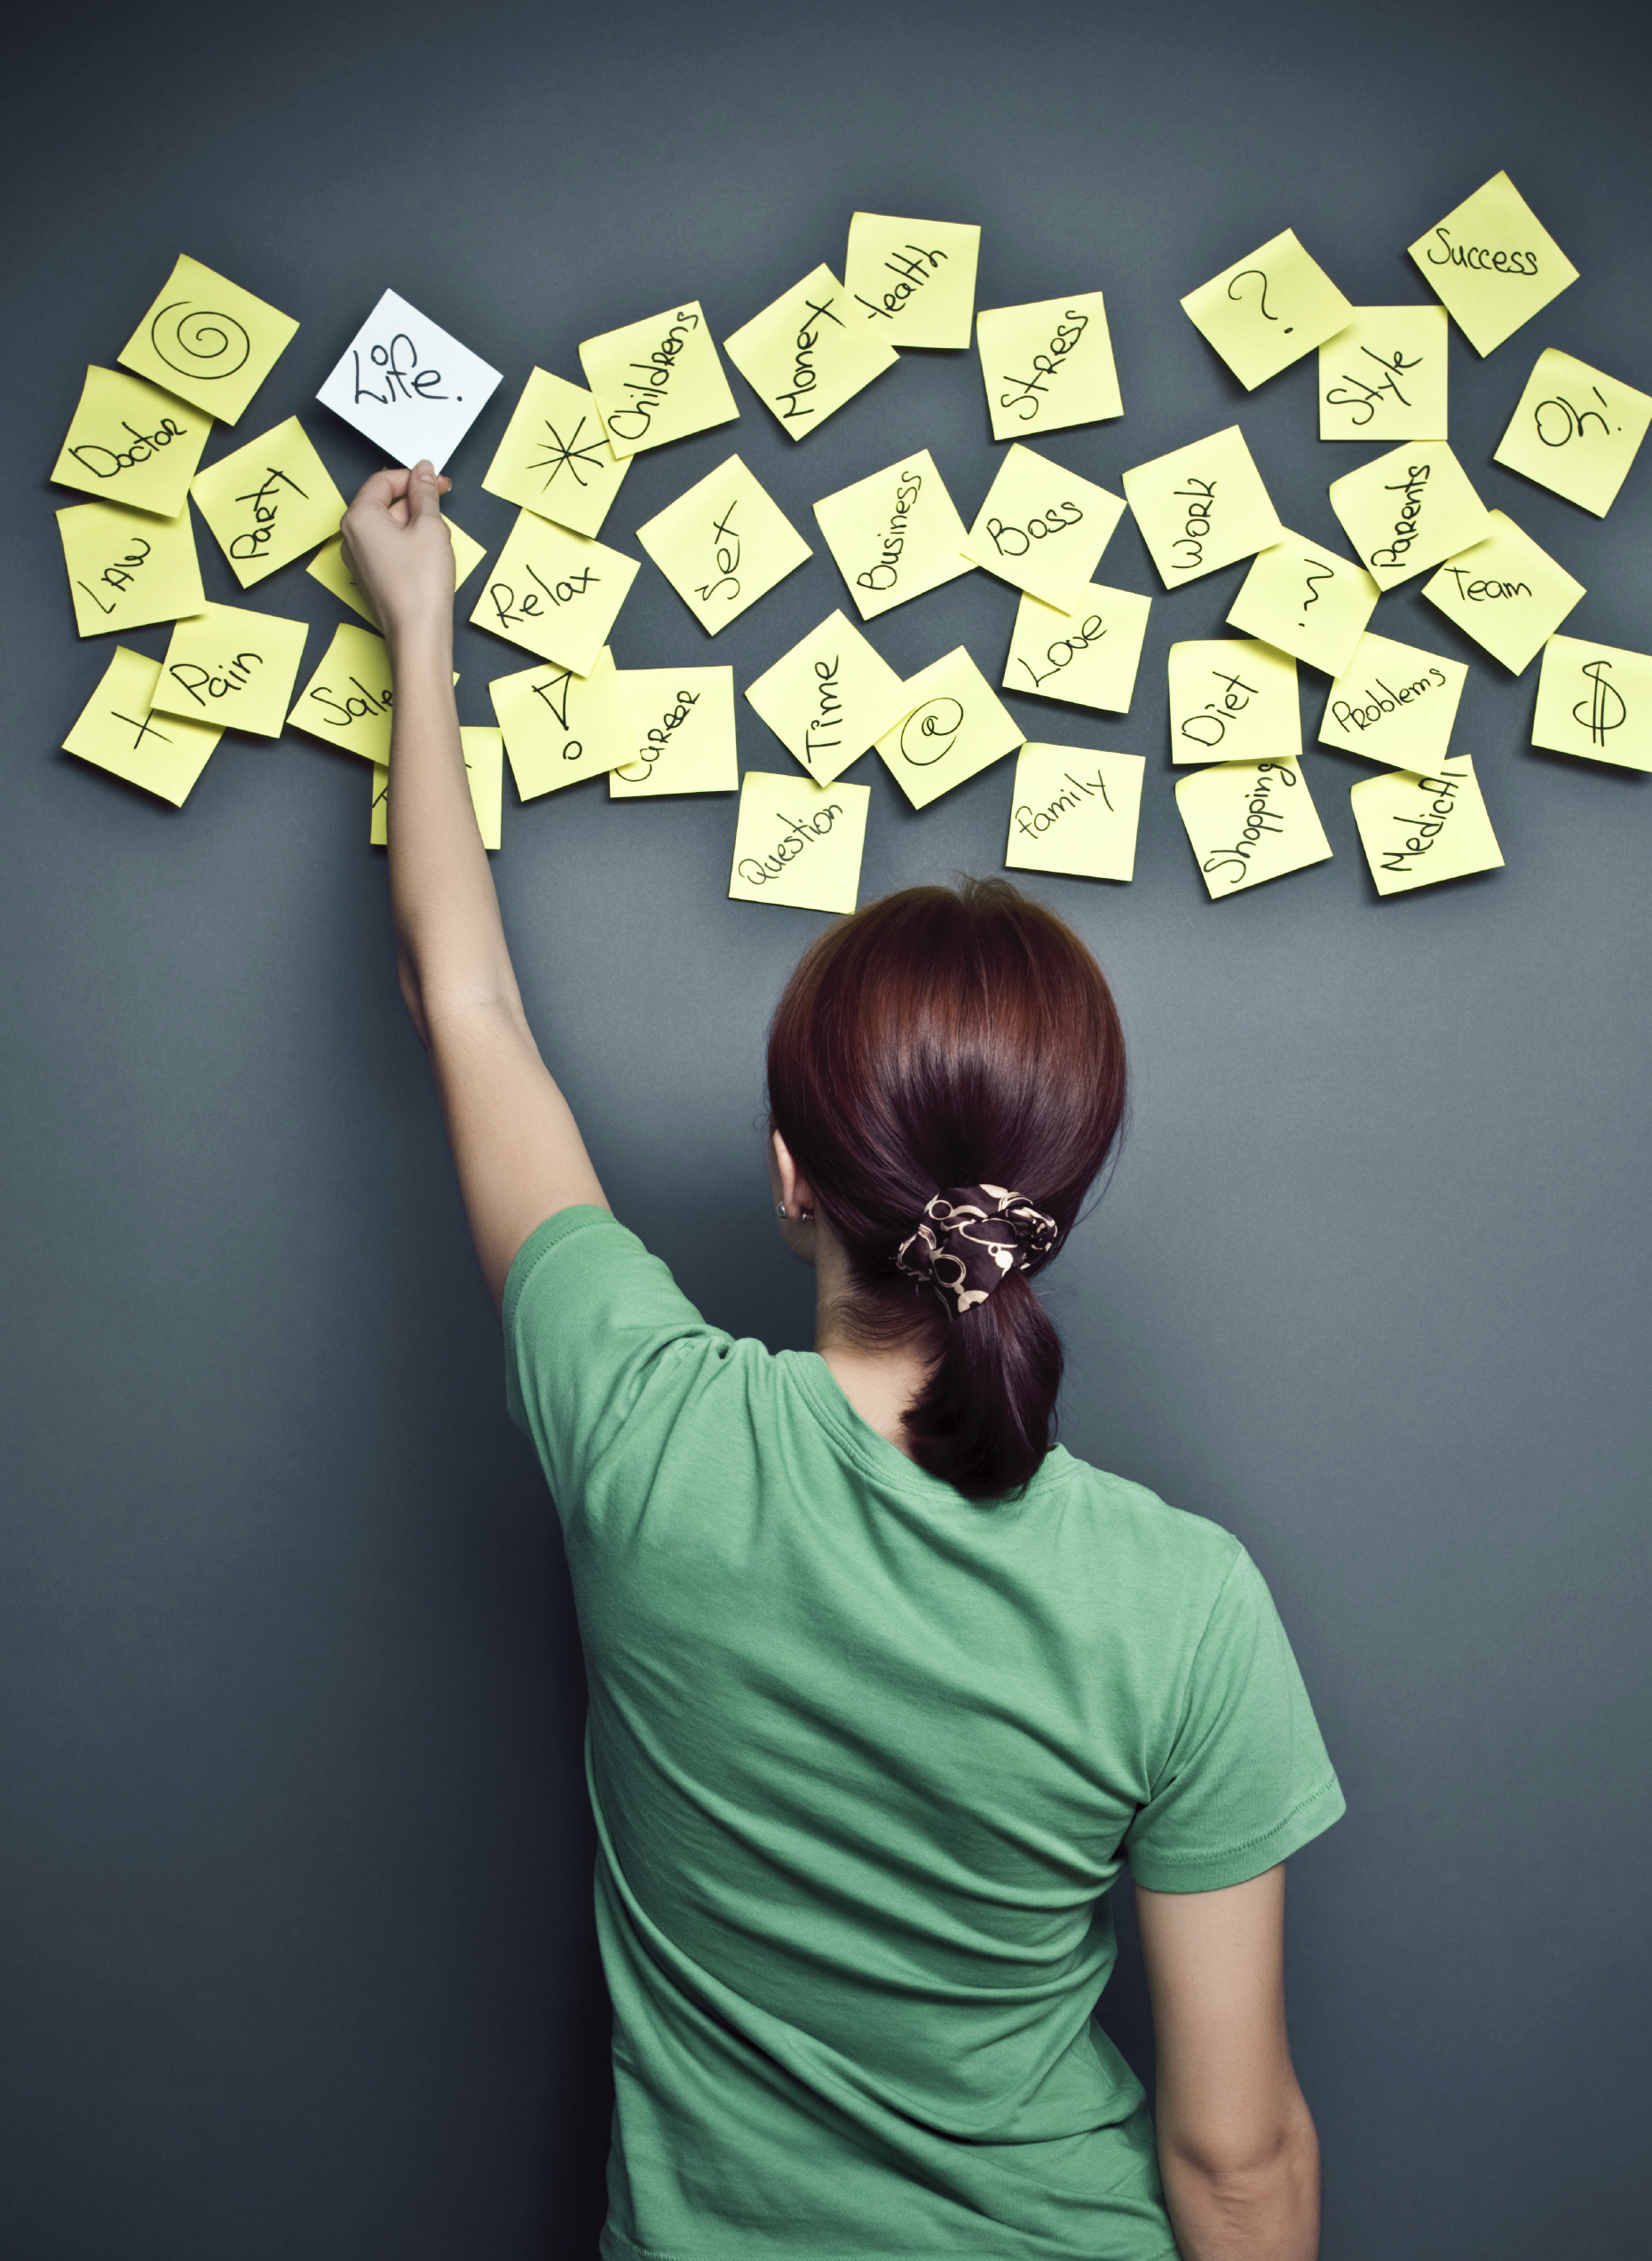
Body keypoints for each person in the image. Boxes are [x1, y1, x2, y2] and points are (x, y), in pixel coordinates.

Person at [342, 459, 1346, 2261]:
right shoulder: (1189, 1605)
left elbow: (463, 1003)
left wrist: (421, 630)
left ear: (790, 1174)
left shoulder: (642, 1430)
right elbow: (1236, 2158)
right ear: (1054, 1205)